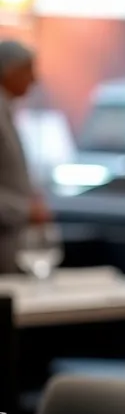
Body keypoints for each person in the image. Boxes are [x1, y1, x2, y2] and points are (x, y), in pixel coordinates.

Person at [0, 40, 49, 274]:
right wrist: (24, 210)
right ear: (9, 70)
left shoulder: (8, 112)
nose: (34, 79)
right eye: (28, 69)